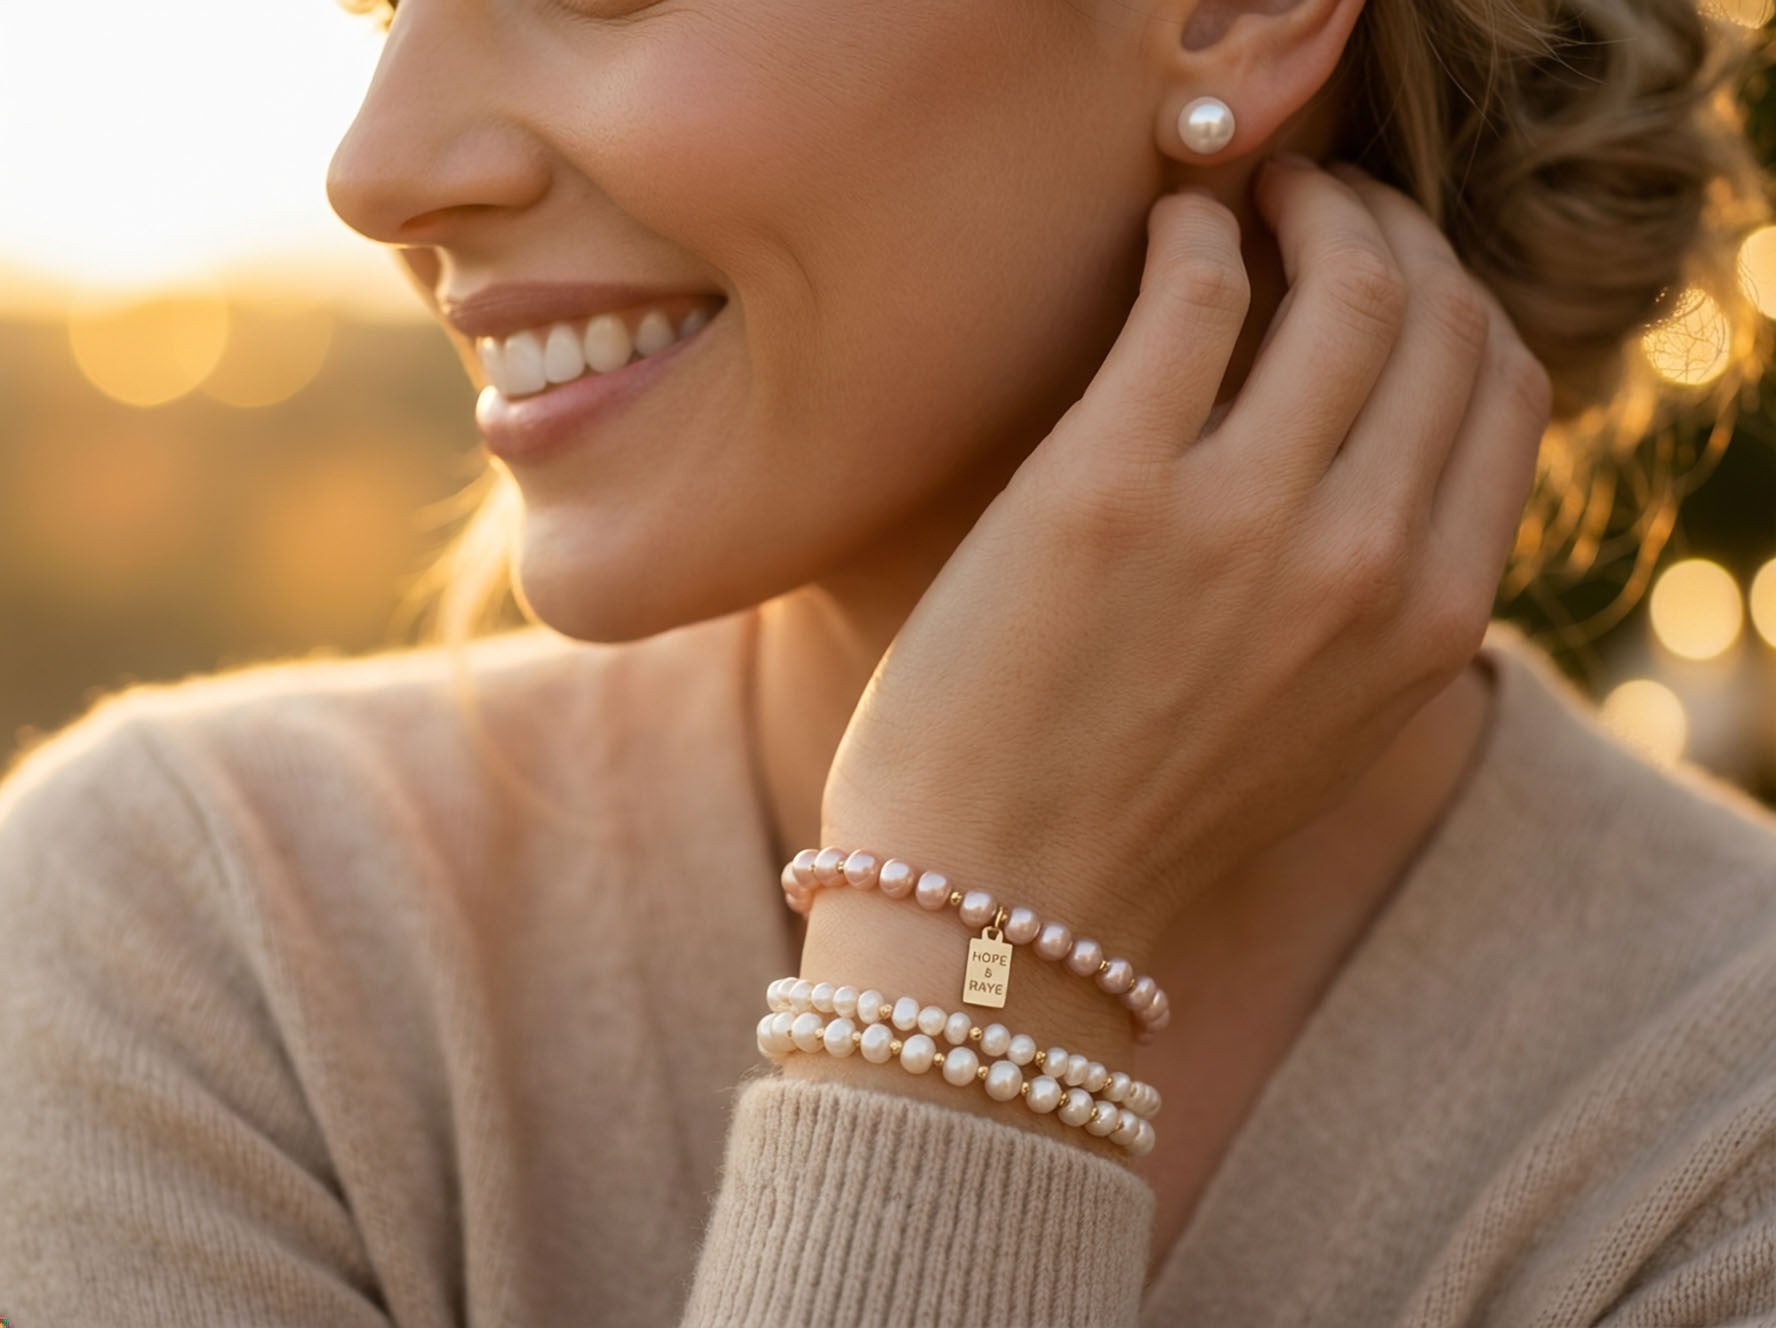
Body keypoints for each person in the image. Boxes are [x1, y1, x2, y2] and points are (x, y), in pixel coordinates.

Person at [1, 0, 1774, 1322]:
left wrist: (972, 955)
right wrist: (985, 941)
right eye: (384, 4)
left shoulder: (1722, 1129)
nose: (375, 171)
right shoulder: (208, 941)